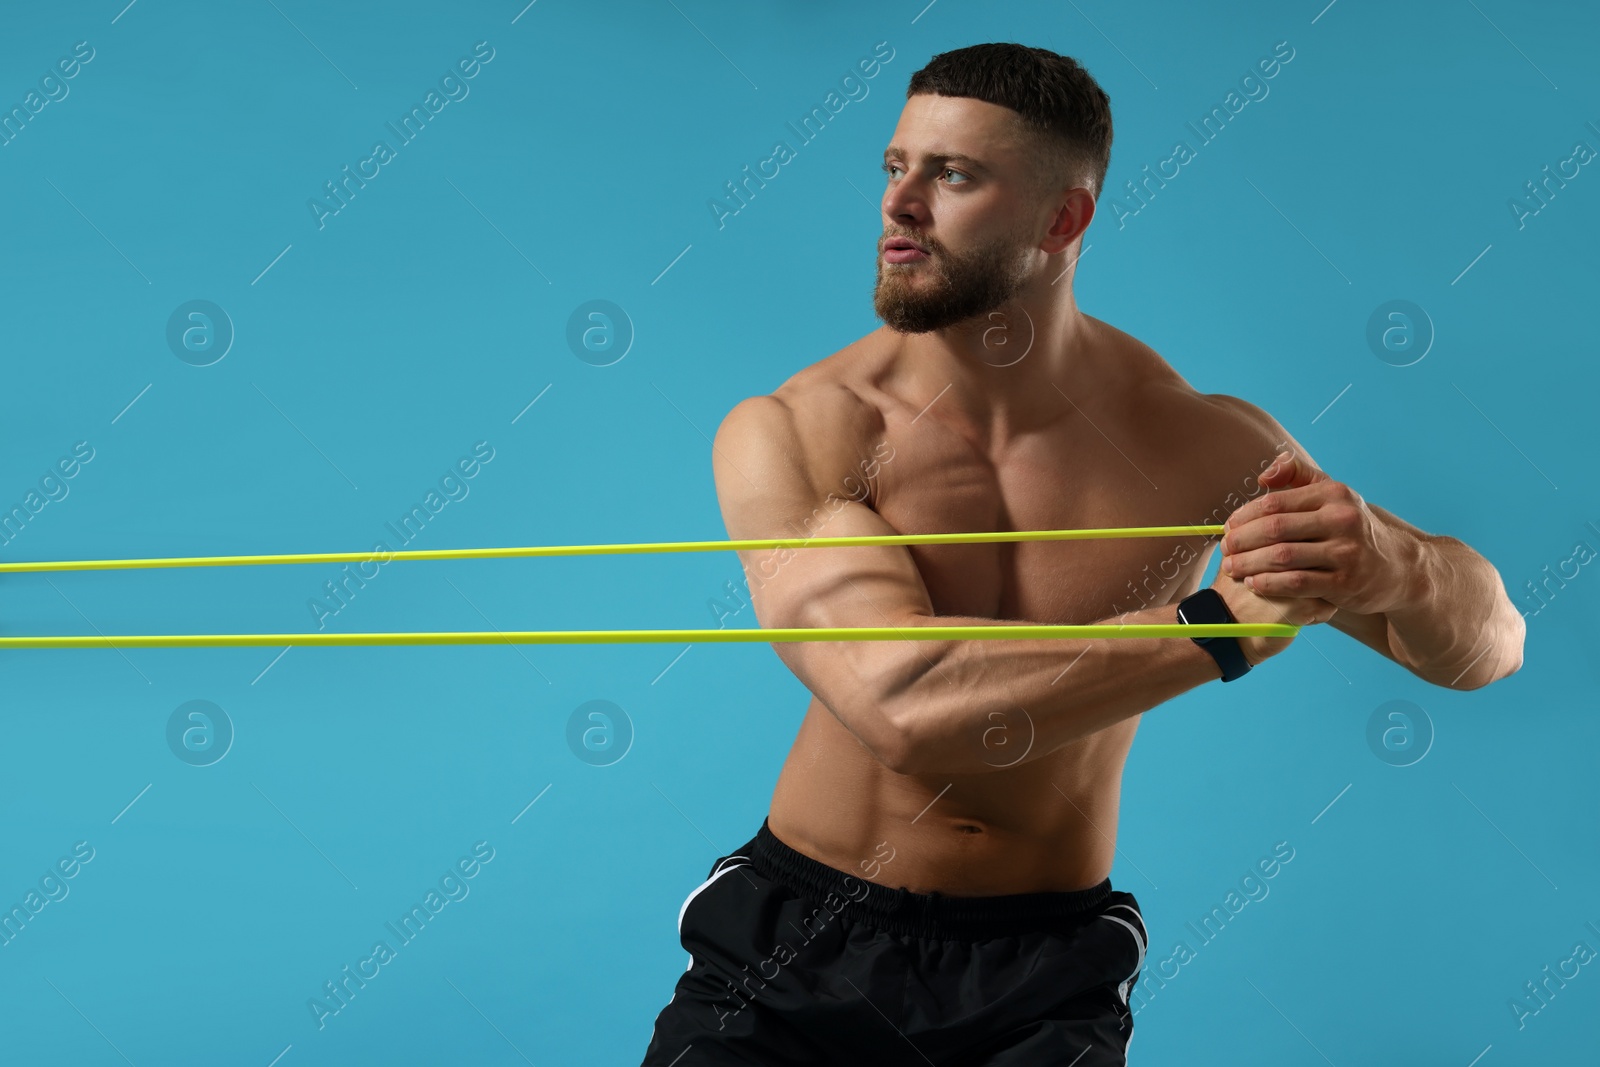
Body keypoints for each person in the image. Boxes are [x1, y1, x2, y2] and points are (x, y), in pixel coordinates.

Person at [641, 41, 1524, 1066]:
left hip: (1042, 975)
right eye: (894, 168)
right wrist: (1216, 631)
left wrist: (1391, 564)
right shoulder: (806, 428)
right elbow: (902, 705)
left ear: (1064, 219)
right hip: (794, 951)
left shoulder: (1203, 441)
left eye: (953, 175)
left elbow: (1485, 645)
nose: (900, 205)